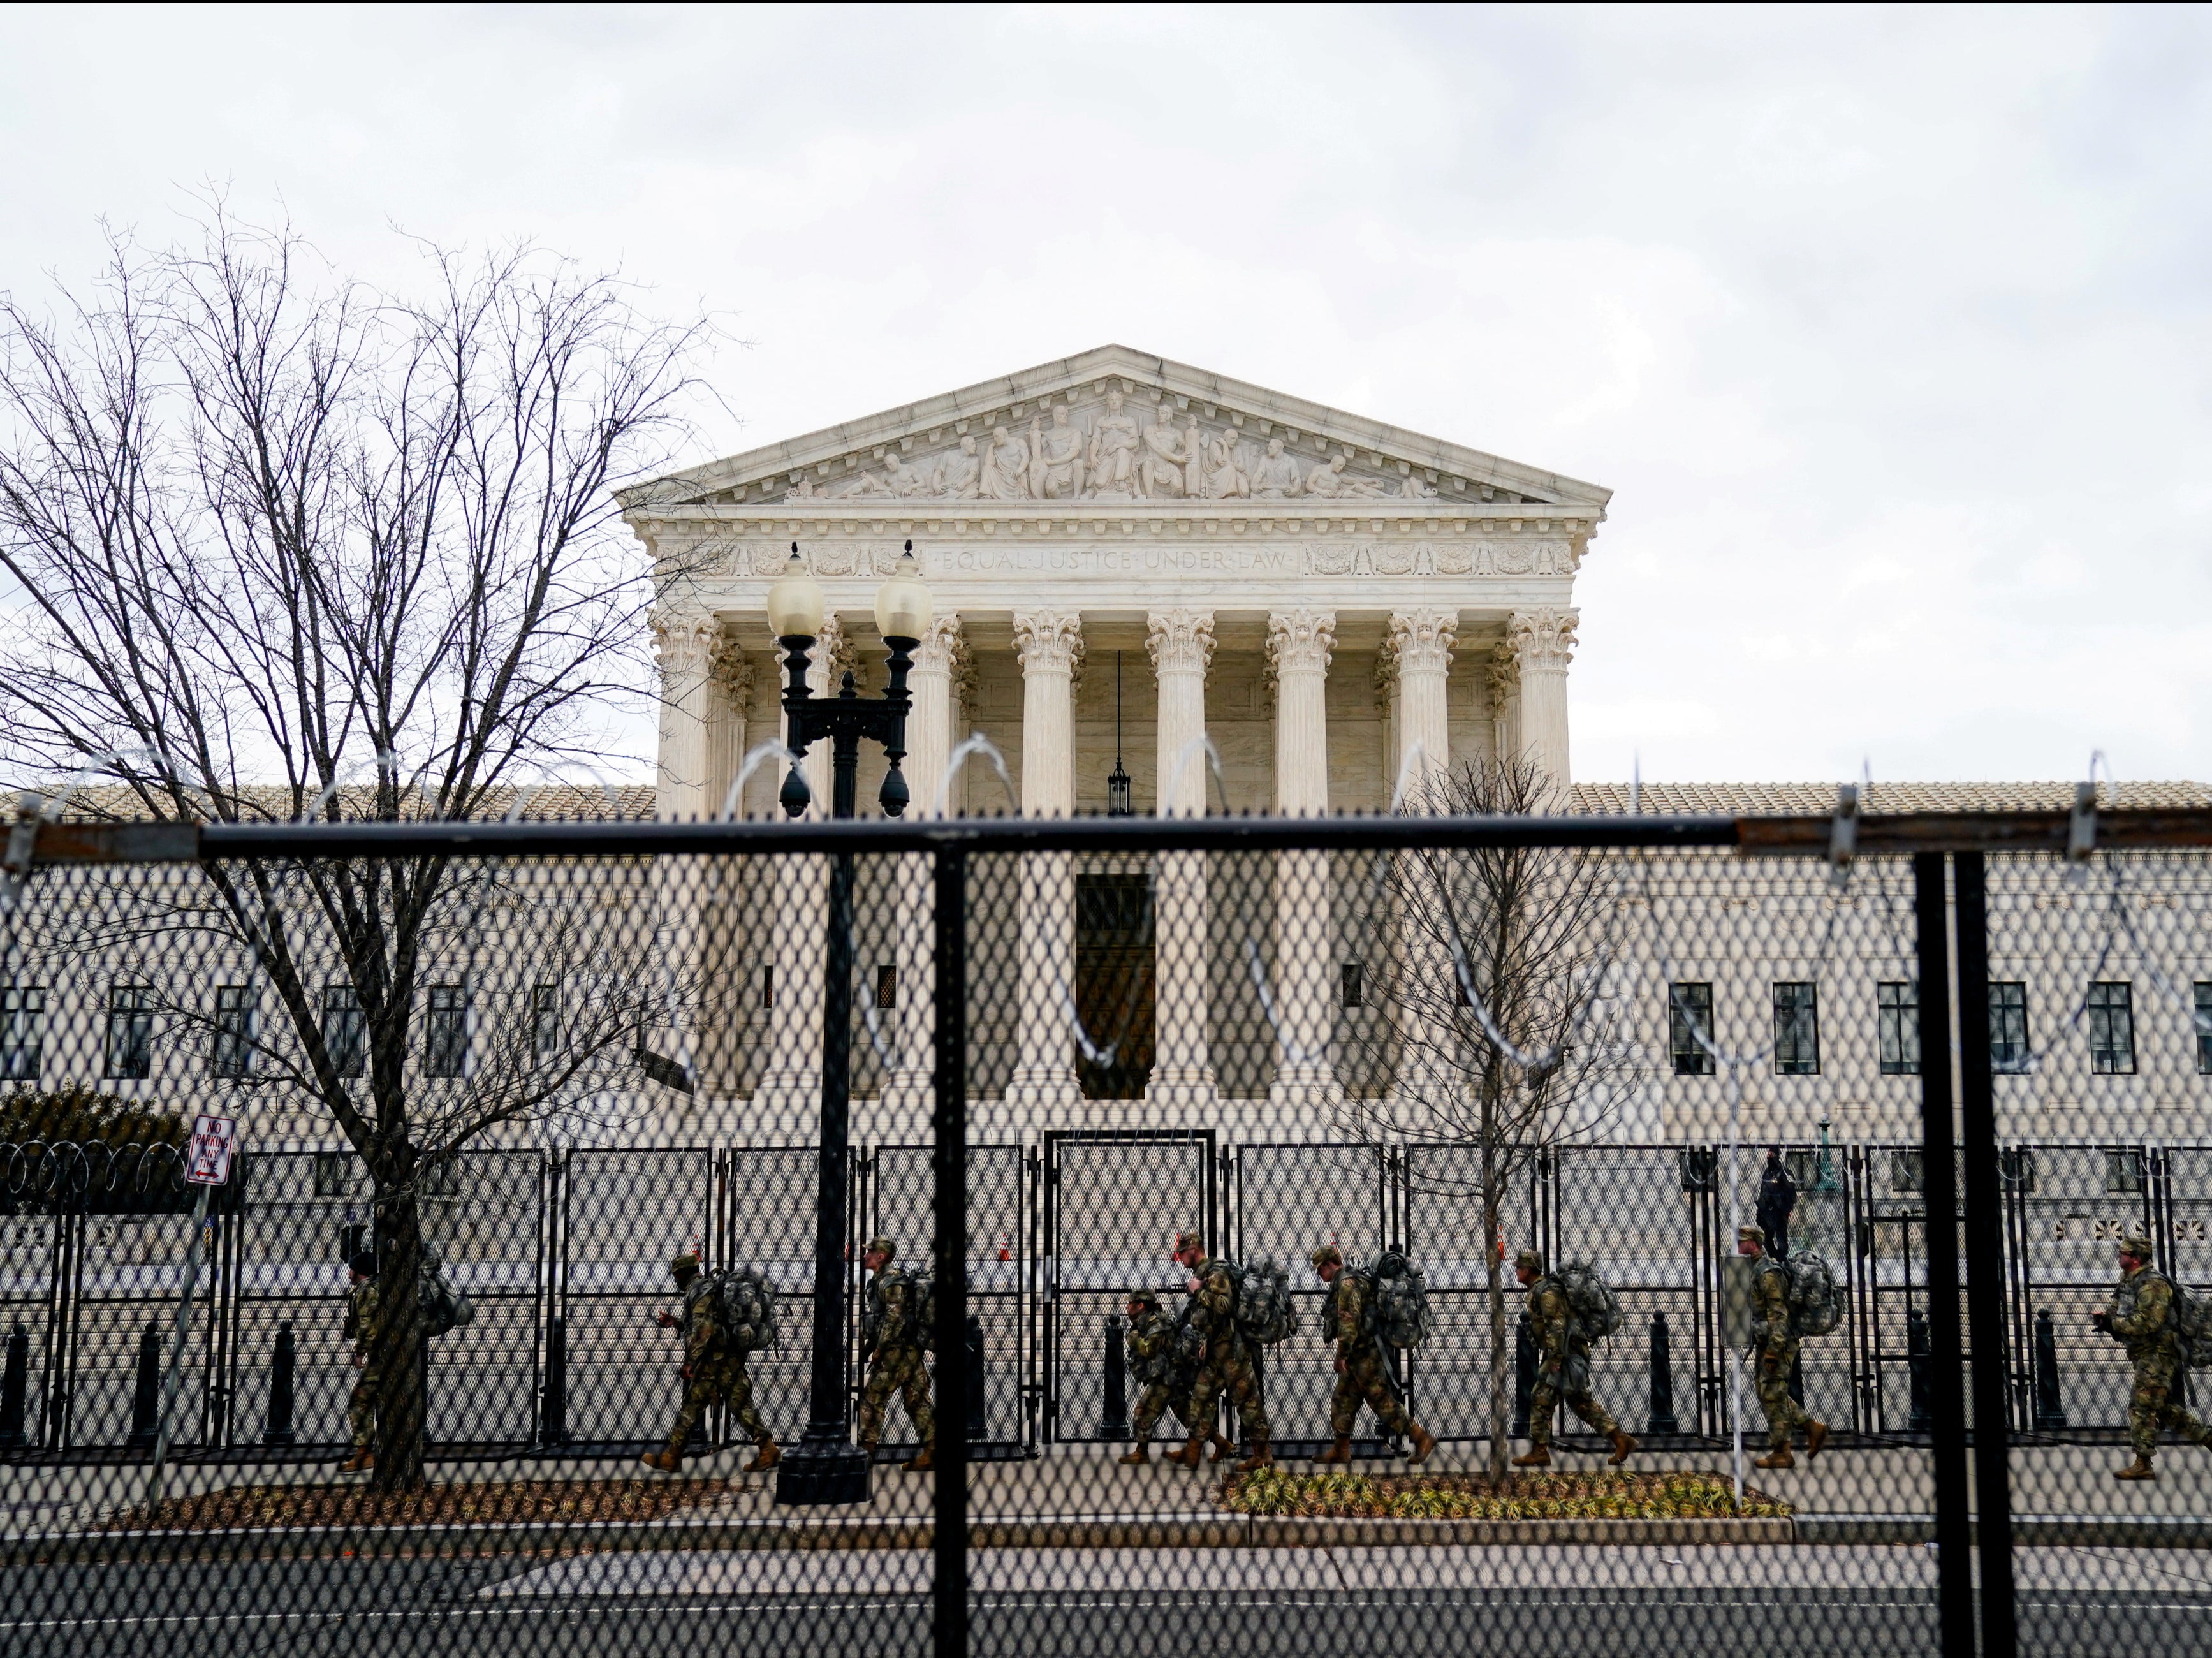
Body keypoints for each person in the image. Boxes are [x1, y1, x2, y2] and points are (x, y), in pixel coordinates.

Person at [641, 1252, 778, 1476]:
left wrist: (690, 1362)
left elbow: (703, 1330)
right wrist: (675, 1323)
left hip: (716, 1360)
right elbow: (700, 1323)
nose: (675, 1280)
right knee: (735, 1404)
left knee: (696, 1405)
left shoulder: (699, 1291)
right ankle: (767, 1449)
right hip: (723, 1357)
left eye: (676, 1275)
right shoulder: (704, 1288)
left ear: (684, 1273)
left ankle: (672, 1457)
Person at [2092, 1230, 2211, 1481]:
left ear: (2135, 1257)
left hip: (2159, 1353)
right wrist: (2107, 1319)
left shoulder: (2152, 1284)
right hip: (2143, 1353)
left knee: (2141, 1406)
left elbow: (2149, 1323)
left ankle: (2143, 1463)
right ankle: (2209, 1437)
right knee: (2163, 1408)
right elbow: (2118, 1308)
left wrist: (2116, 1325)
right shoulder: (2128, 1280)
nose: (2119, 1255)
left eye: (2123, 1253)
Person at [1310, 1244, 1436, 1465]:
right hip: (1359, 1355)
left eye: (1320, 1269)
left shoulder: (1348, 1284)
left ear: (1330, 1265)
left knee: (1381, 1401)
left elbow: (1349, 1324)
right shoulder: (1349, 1278)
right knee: (1343, 1400)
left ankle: (1421, 1437)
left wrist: (1341, 1355)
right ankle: (1341, 1449)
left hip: (1365, 1355)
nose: (1319, 1274)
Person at [1511, 1249, 1637, 1467]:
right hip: (1567, 1352)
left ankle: (1540, 1451)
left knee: (1541, 1397)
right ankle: (1620, 1439)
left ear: (1528, 1270)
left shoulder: (1547, 1292)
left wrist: (1555, 1359)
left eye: (1519, 1268)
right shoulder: (1540, 1289)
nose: (1516, 1272)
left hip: (1565, 1354)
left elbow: (1556, 1327)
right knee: (1580, 1402)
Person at [1164, 1229, 1272, 1471]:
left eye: (1182, 1254)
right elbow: (1210, 1318)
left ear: (1193, 1251)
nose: (1180, 1259)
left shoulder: (1215, 1272)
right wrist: (1204, 1342)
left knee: (1247, 1402)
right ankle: (1193, 1452)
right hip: (1215, 1351)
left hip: (1233, 1352)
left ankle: (1263, 1455)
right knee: (1201, 1397)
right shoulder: (1203, 1273)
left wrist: (1198, 1292)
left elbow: (1224, 1305)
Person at [1740, 1224, 1827, 1469]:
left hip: (1777, 1343)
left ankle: (1782, 1451)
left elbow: (1779, 1315)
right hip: (1766, 1341)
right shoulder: (1754, 1270)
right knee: (1770, 1392)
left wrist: (1773, 1351)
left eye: (1743, 1240)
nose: (1738, 1244)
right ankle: (1811, 1427)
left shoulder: (1768, 1273)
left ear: (1755, 1244)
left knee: (1773, 1393)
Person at [1117, 1287, 1227, 1465]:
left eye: (1130, 1303)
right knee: (1187, 1415)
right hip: (1171, 1377)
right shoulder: (1145, 1321)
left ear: (1141, 1305)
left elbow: (1148, 1348)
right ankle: (1221, 1443)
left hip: (1166, 1379)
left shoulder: (1156, 1323)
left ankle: (1141, 1452)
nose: (1127, 1307)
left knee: (1142, 1413)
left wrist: (1133, 1337)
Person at [857, 1236, 936, 1471]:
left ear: (881, 1257)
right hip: (908, 1352)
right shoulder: (881, 1280)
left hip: (895, 1352)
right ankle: (933, 1451)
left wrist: (879, 1349)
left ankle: (866, 1453)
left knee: (872, 1400)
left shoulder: (891, 1281)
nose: (865, 1256)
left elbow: (894, 1318)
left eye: (869, 1252)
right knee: (918, 1401)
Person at [338, 1251, 381, 1474]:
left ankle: (364, 1454)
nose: (348, 1272)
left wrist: (359, 1352)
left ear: (357, 1271)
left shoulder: (366, 1292)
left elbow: (368, 1326)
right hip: (384, 1356)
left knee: (359, 1403)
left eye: (351, 1268)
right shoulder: (374, 1287)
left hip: (380, 1357)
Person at [1756, 1148, 1798, 1260]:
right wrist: (1759, 1212)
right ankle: (1774, 1257)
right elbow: (1763, 1191)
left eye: (1772, 1154)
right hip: (1766, 1212)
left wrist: (1785, 1209)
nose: (1769, 1157)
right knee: (1766, 1239)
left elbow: (1791, 1194)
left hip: (1779, 1213)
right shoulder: (1767, 1173)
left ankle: (1781, 1259)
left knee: (1782, 1240)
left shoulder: (1785, 1173)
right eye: (1768, 1154)